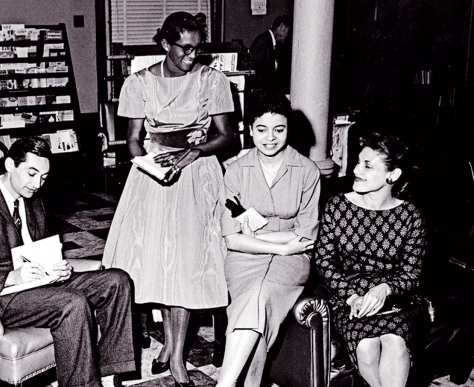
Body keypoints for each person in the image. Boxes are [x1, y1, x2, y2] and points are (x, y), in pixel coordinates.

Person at [102, 11, 234, 387]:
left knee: (186, 264)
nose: (192, 56)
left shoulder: (213, 79)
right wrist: (148, 163)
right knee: (158, 262)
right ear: (164, 44)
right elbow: (131, 139)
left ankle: (176, 355)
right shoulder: (139, 82)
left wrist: (191, 154)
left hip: (197, 170)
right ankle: (168, 345)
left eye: (197, 49)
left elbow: (227, 136)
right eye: (184, 49)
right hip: (153, 174)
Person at [0, 136, 135, 387]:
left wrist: (58, 268)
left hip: (38, 288)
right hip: (0, 296)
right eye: (31, 173)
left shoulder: (35, 203)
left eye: (44, 178)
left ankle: (111, 374)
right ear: (10, 165)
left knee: (117, 280)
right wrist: (11, 277)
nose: (37, 184)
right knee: (73, 302)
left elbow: (39, 252)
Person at [216, 92, 320, 387]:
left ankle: (224, 384)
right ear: (249, 130)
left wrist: (267, 240)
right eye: (261, 129)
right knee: (255, 299)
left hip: (293, 261)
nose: (270, 138)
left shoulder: (307, 171)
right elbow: (233, 241)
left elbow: (306, 234)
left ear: (290, 129)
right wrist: (282, 244)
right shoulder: (235, 171)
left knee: (258, 295)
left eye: (279, 129)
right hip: (245, 259)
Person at [314, 132, 427, 387]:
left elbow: (411, 274)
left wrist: (385, 289)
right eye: (357, 162)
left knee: (395, 341)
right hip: (349, 295)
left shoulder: (411, 215)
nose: (356, 170)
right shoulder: (337, 207)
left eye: (367, 165)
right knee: (365, 346)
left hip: (398, 298)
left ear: (393, 175)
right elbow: (324, 261)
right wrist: (352, 296)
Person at [248, 15, 293, 93]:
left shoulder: (270, 42)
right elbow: (257, 75)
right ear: (282, 26)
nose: (289, 36)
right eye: (289, 31)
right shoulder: (263, 41)